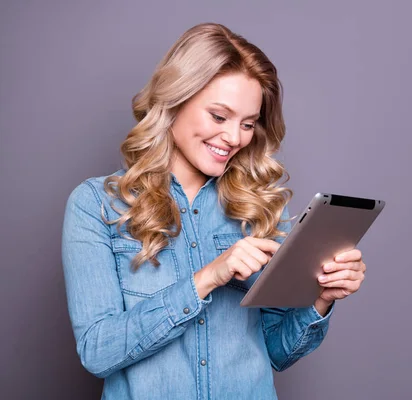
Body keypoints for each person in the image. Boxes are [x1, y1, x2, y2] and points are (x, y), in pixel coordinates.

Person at [61, 22, 367, 400]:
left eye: (248, 124)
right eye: (219, 117)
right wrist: (207, 278)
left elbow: (277, 352)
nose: (234, 137)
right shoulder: (96, 206)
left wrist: (322, 296)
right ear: (174, 101)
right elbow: (98, 351)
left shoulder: (259, 208)